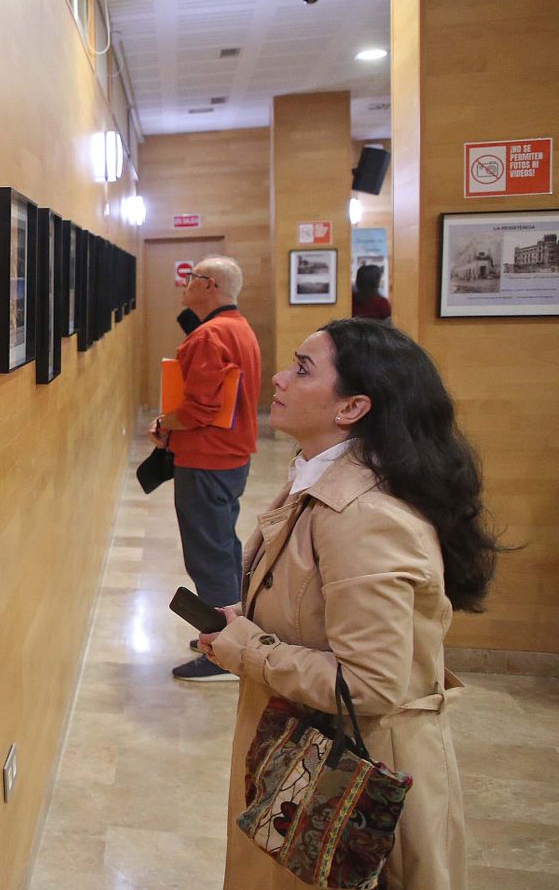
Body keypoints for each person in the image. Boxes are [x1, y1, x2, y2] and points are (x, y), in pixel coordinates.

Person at [198, 319, 498, 889]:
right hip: (308, 755)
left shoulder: (363, 517)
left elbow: (369, 684)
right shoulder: (321, 480)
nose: (280, 378)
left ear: (353, 406)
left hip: (354, 781)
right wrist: (253, 625)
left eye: (303, 369)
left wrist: (249, 649)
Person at [148, 255, 262, 681]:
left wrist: (163, 423)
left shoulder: (209, 335)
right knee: (224, 545)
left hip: (207, 456)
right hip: (231, 455)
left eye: (191, 277)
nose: (185, 283)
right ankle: (232, 630)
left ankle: (225, 651)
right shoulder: (239, 328)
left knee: (208, 552)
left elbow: (199, 408)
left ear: (210, 284)